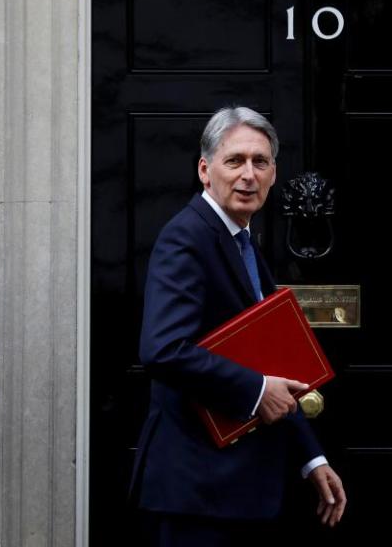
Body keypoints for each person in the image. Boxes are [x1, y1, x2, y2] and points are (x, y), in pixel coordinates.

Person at [129, 106, 347, 546]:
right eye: (235, 161)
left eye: (260, 162)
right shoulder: (186, 238)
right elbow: (163, 348)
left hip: (238, 490)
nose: (248, 174)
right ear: (205, 170)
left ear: (272, 175)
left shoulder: (241, 242)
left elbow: (272, 363)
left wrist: (311, 457)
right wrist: (255, 391)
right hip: (197, 491)